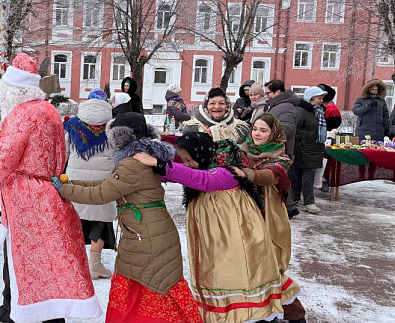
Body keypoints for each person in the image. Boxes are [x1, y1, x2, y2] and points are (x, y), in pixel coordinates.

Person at [0, 53, 101, 323]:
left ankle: (26, 311)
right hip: (48, 190)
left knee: (24, 255)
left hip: (26, 197)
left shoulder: (21, 115)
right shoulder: (49, 110)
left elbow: (6, 157)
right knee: (44, 256)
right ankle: (23, 309)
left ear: (11, 91)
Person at [55, 113, 202, 323]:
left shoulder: (132, 164)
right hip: (148, 234)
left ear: (119, 138)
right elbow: (106, 185)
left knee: (147, 287)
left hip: (147, 238)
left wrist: (63, 190)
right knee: (146, 286)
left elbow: (100, 194)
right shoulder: (141, 159)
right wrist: (69, 185)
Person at [134, 133, 284, 323]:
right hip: (214, 233)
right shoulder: (203, 165)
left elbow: (202, 179)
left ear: (201, 152)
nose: (186, 163)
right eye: (184, 160)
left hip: (235, 233)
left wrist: (160, 165)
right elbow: (184, 172)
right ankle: (220, 313)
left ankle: (246, 315)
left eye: (189, 159)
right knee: (215, 271)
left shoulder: (227, 169)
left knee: (235, 272)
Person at [235, 114, 306, 322]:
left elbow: (271, 175)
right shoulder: (241, 152)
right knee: (249, 266)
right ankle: (263, 312)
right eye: (255, 129)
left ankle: (295, 314)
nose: (257, 134)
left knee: (270, 268)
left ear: (273, 134)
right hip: (243, 216)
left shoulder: (280, 157)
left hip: (268, 218)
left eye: (263, 130)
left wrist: (247, 174)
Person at [63, 88, 116, 279]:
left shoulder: (72, 125)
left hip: (76, 180)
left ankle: (74, 265)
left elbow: (64, 153)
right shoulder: (112, 126)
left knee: (76, 221)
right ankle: (95, 265)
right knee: (99, 223)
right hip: (104, 182)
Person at [289, 86, 327, 215]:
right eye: (319, 98)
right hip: (302, 148)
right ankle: (307, 202)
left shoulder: (318, 112)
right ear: (311, 99)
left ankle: (301, 200)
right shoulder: (301, 111)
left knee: (307, 174)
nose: (321, 101)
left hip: (313, 148)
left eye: (322, 98)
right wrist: (308, 136)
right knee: (302, 175)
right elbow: (294, 128)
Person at [181, 87, 250, 143]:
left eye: (221, 103)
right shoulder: (192, 127)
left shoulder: (240, 128)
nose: (217, 107)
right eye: (212, 103)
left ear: (227, 106)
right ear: (205, 106)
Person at [264, 80, 301, 159]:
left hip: (280, 154)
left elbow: (286, 130)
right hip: (273, 150)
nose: (267, 96)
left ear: (277, 92)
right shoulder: (276, 105)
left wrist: (265, 134)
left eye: (268, 93)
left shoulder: (286, 107)